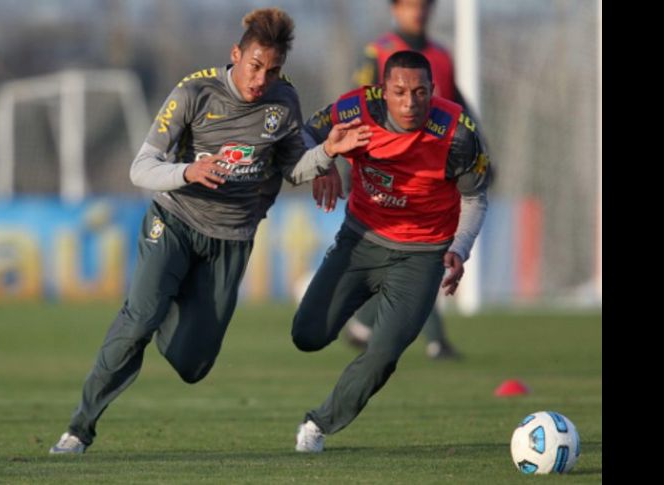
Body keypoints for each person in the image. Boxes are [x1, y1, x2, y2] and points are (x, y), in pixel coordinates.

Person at [49, 7, 372, 454]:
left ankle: (162, 308)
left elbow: (293, 168)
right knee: (138, 319)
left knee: (193, 364)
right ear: (236, 55)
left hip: (232, 239)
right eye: (255, 66)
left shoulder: (283, 101)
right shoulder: (194, 91)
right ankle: (78, 431)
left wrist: (327, 154)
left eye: (273, 69)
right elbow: (141, 169)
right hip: (174, 220)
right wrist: (188, 171)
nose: (262, 78)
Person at [293, 50, 491, 452]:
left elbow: (476, 198)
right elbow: (305, 135)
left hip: (422, 254)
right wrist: (326, 161)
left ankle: (318, 425)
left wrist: (460, 247)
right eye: (399, 92)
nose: (410, 102)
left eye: (420, 92)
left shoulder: (456, 133)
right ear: (383, 91)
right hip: (360, 240)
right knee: (306, 336)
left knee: (383, 354)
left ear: (433, 91)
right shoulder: (354, 109)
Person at [336, 0, 471, 359]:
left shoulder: (441, 55)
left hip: (434, 171)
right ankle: (432, 339)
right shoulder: (378, 52)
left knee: (424, 253)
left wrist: (481, 150)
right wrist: (351, 164)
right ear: (395, 8)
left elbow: (460, 108)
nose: (420, 12)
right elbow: (357, 103)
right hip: (388, 171)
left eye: (425, 5)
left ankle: (367, 321)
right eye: (412, 5)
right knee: (412, 254)